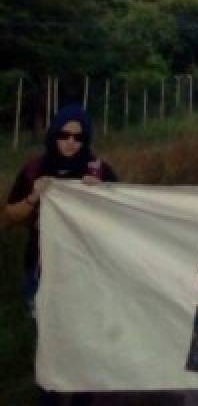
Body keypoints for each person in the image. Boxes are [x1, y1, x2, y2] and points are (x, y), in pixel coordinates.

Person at [5, 105, 118, 406]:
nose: (70, 142)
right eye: (64, 135)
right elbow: (9, 217)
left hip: (87, 272)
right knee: (50, 340)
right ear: (53, 135)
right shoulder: (33, 170)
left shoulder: (98, 170)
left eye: (78, 137)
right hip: (41, 272)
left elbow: (122, 214)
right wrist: (33, 198)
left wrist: (104, 193)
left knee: (84, 338)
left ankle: (83, 397)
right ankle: (49, 397)